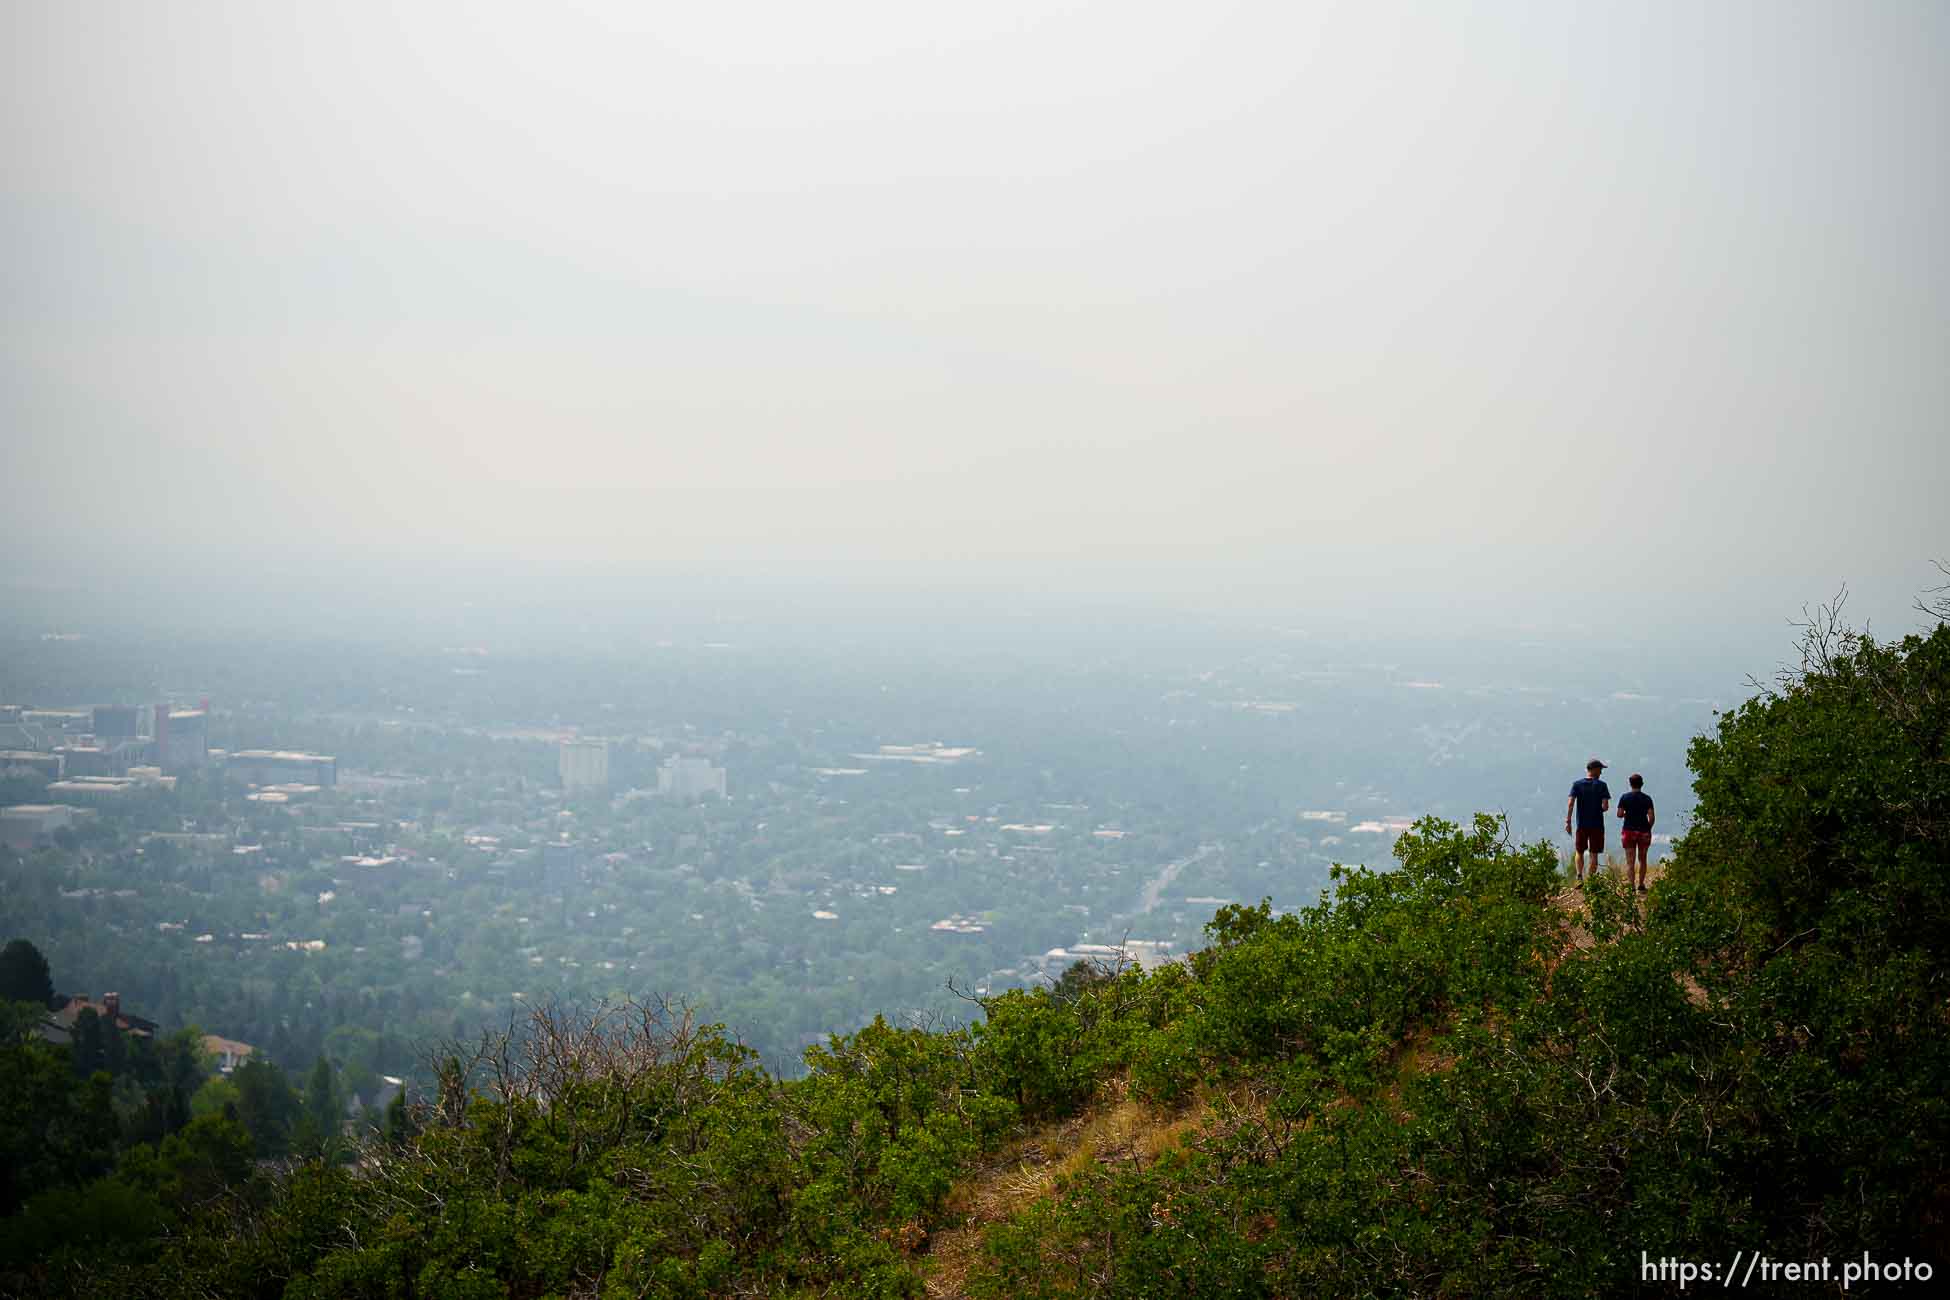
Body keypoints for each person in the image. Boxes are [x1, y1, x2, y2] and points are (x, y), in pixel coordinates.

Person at [1565, 758, 1611, 882]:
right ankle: (1591, 881)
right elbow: (1605, 806)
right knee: (1594, 853)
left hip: (1582, 824)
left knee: (1579, 851)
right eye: (1600, 769)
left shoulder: (1577, 784)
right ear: (1595, 770)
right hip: (1597, 825)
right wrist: (1598, 809)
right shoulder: (1602, 785)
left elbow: (1570, 803)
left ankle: (1579, 876)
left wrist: (1568, 822)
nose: (1601, 772)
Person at [1616, 773, 1655, 893]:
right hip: (1643, 832)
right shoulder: (1647, 798)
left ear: (1630, 784)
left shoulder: (1624, 797)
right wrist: (1648, 828)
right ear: (1642, 784)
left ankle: (1632, 886)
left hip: (1628, 831)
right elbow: (1651, 817)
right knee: (1642, 859)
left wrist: (1627, 814)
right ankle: (1641, 885)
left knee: (1630, 861)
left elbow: (1619, 814)